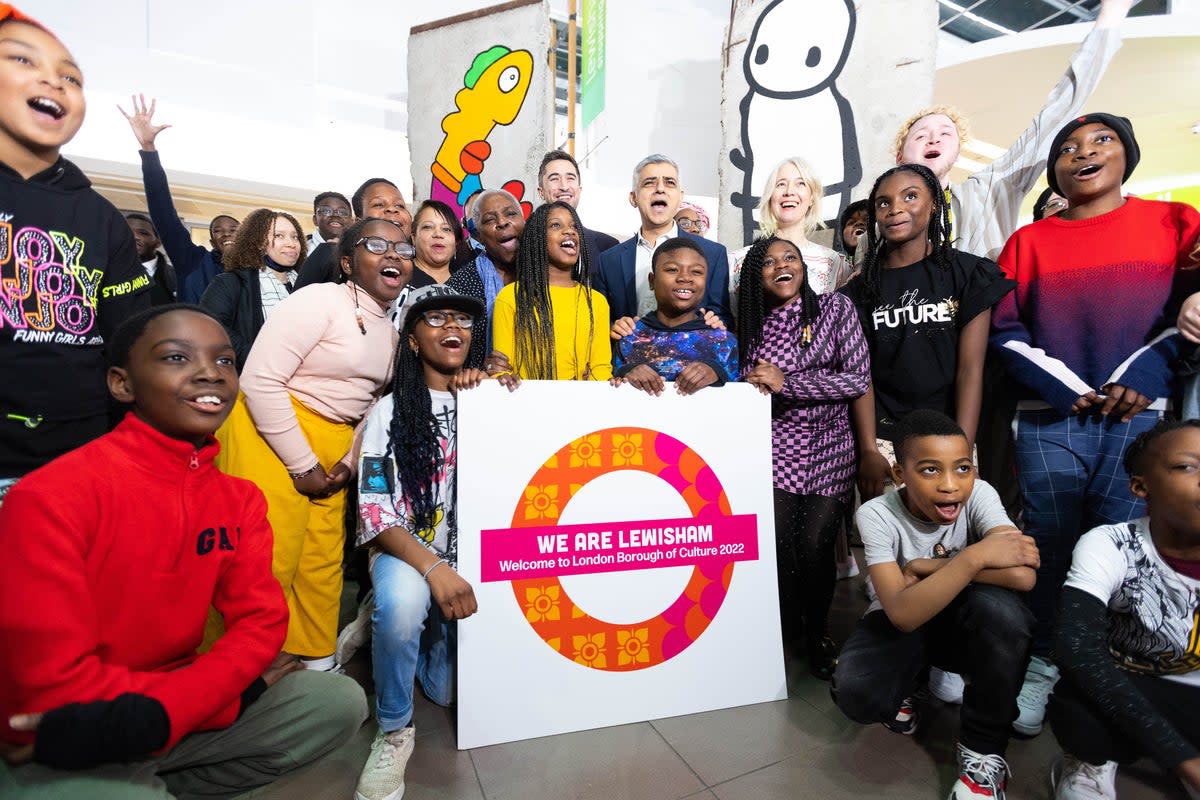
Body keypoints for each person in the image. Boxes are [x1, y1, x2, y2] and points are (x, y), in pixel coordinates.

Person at [0, 304, 367, 799]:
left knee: (337, 702)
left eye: (225, 361)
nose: (209, 374)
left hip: (155, 711)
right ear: (121, 384)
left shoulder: (239, 499)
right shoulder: (50, 497)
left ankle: (154, 778)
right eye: (176, 357)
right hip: (74, 726)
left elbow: (261, 624)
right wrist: (231, 695)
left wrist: (168, 713)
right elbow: (50, 693)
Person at [990, 113, 1200, 738]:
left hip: (1141, 419)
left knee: (1122, 545)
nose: (1083, 152)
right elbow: (1005, 330)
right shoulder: (1029, 242)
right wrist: (1070, 388)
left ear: (1127, 155)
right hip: (1050, 418)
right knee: (1050, 543)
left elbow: (1183, 318)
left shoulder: (1174, 222)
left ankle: (1111, 668)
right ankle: (1046, 662)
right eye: (1067, 147)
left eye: (1101, 141)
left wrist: (1150, 372)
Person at [216, 217, 408, 671]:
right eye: (376, 244)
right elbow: (260, 381)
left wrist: (347, 462)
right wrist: (303, 465)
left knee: (321, 560)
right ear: (347, 261)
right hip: (268, 432)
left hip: (335, 446)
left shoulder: (394, 331)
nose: (392, 254)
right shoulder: (318, 300)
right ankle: (237, 672)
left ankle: (316, 660)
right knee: (267, 561)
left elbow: (373, 407)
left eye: (401, 249)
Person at [354, 285, 515, 800]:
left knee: (445, 690)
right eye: (436, 319)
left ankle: (404, 628)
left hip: (474, 555)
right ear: (414, 342)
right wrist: (433, 570)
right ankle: (394, 729)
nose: (453, 327)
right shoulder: (388, 411)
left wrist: (506, 387)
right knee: (402, 606)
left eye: (464, 320)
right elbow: (376, 513)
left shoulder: (491, 398)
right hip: (409, 547)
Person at [831, 410, 1039, 800]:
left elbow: (1023, 575)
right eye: (929, 470)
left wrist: (926, 566)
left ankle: (983, 750)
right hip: (905, 616)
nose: (950, 485)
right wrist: (975, 557)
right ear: (899, 475)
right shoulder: (875, 513)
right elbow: (903, 614)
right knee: (858, 693)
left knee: (1006, 616)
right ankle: (913, 680)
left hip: (964, 615)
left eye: (963, 468)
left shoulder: (980, 494)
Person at [0, 6, 151, 495]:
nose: (55, 81)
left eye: (72, 76)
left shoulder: (101, 217)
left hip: (78, 456)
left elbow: (129, 336)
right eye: (23, 60)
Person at [891, 0, 1131, 262]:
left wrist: (1110, 18)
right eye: (921, 135)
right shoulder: (880, 222)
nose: (934, 137)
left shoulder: (993, 188)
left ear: (957, 153)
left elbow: (1054, 115)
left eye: (946, 133)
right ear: (899, 157)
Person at [737, 236, 869, 678]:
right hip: (774, 448)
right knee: (778, 547)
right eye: (768, 263)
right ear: (756, 277)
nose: (781, 266)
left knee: (815, 547)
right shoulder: (751, 327)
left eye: (789, 257)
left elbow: (856, 379)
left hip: (831, 448)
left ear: (803, 266)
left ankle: (819, 634)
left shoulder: (835, 309)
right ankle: (784, 630)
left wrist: (787, 383)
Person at [1048, 419, 1200, 800]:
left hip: (1192, 691)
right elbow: (1075, 647)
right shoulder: (1111, 544)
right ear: (1140, 486)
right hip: (1125, 683)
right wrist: (1185, 761)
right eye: (1187, 466)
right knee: (1076, 699)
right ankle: (1089, 764)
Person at [842, 163, 1014, 495]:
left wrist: (963, 451)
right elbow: (859, 375)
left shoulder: (967, 273)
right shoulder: (858, 292)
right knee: (885, 542)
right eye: (883, 202)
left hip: (951, 434)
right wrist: (867, 450)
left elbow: (970, 369)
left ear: (934, 203)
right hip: (885, 438)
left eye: (910, 196)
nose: (896, 209)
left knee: (952, 541)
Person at [119, 94, 240, 303]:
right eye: (218, 231)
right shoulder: (193, 261)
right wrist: (149, 151)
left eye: (232, 230)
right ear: (212, 241)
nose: (225, 234)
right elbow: (164, 214)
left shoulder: (259, 269)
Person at [594, 154, 733, 328]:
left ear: (680, 196)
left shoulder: (713, 253)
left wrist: (716, 322)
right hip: (631, 353)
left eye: (669, 182)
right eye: (649, 182)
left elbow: (724, 317)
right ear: (633, 197)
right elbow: (598, 321)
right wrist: (613, 327)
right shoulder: (609, 260)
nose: (660, 189)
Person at [492, 202, 612, 380]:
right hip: (525, 404)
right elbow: (502, 371)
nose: (570, 231)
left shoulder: (596, 302)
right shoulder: (511, 297)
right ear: (538, 238)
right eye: (556, 225)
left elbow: (600, 370)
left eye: (574, 226)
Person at [612, 237, 737, 395]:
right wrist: (625, 373)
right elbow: (612, 391)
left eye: (696, 272)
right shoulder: (628, 338)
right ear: (652, 280)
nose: (685, 277)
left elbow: (739, 401)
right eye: (672, 269)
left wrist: (718, 374)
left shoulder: (725, 342)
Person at [730, 157, 854, 305]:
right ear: (770, 197)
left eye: (800, 183)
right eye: (781, 184)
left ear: (812, 199)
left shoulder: (835, 264)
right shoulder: (736, 261)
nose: (789, 192)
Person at [199, 209, 307, 371]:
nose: (291, 243)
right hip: (251, 379)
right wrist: (258, 359)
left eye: (295, 237)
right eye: (279, 236)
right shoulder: (230, 282)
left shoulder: (308, 286)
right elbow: (208, 328)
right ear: (258, 242)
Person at [445, 188, 527, 369]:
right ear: (479, 236)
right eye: (490, 220)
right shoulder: (460, 287)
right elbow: (448, 358)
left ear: (524, 221)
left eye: (511, 214)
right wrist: (481, 370)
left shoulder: (549, 277)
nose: (502, 222)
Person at [296, 178, 410, 290]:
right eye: (379, 204)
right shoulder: (328, 255)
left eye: (399, 205)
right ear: (359, 222)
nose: (392, 209)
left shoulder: (418, 265)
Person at [536, 149, 618, 256]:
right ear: (541, 192)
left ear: (579, 190)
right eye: (555, 179)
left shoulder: (608, 247)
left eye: (570, 178)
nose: (564, 187)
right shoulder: (524, 245)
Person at [127, 212, 177, 305]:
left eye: (143, 233)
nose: (134, 237)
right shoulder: (105, 274)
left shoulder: (176, 278)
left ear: (158, 242)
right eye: (127, 231)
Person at [410, 200, 461, 286]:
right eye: (428, 227)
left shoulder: (465, 285)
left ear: (456, 242)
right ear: (413, 238)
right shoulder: (399, 277)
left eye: (446, 229)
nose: (438, 234)